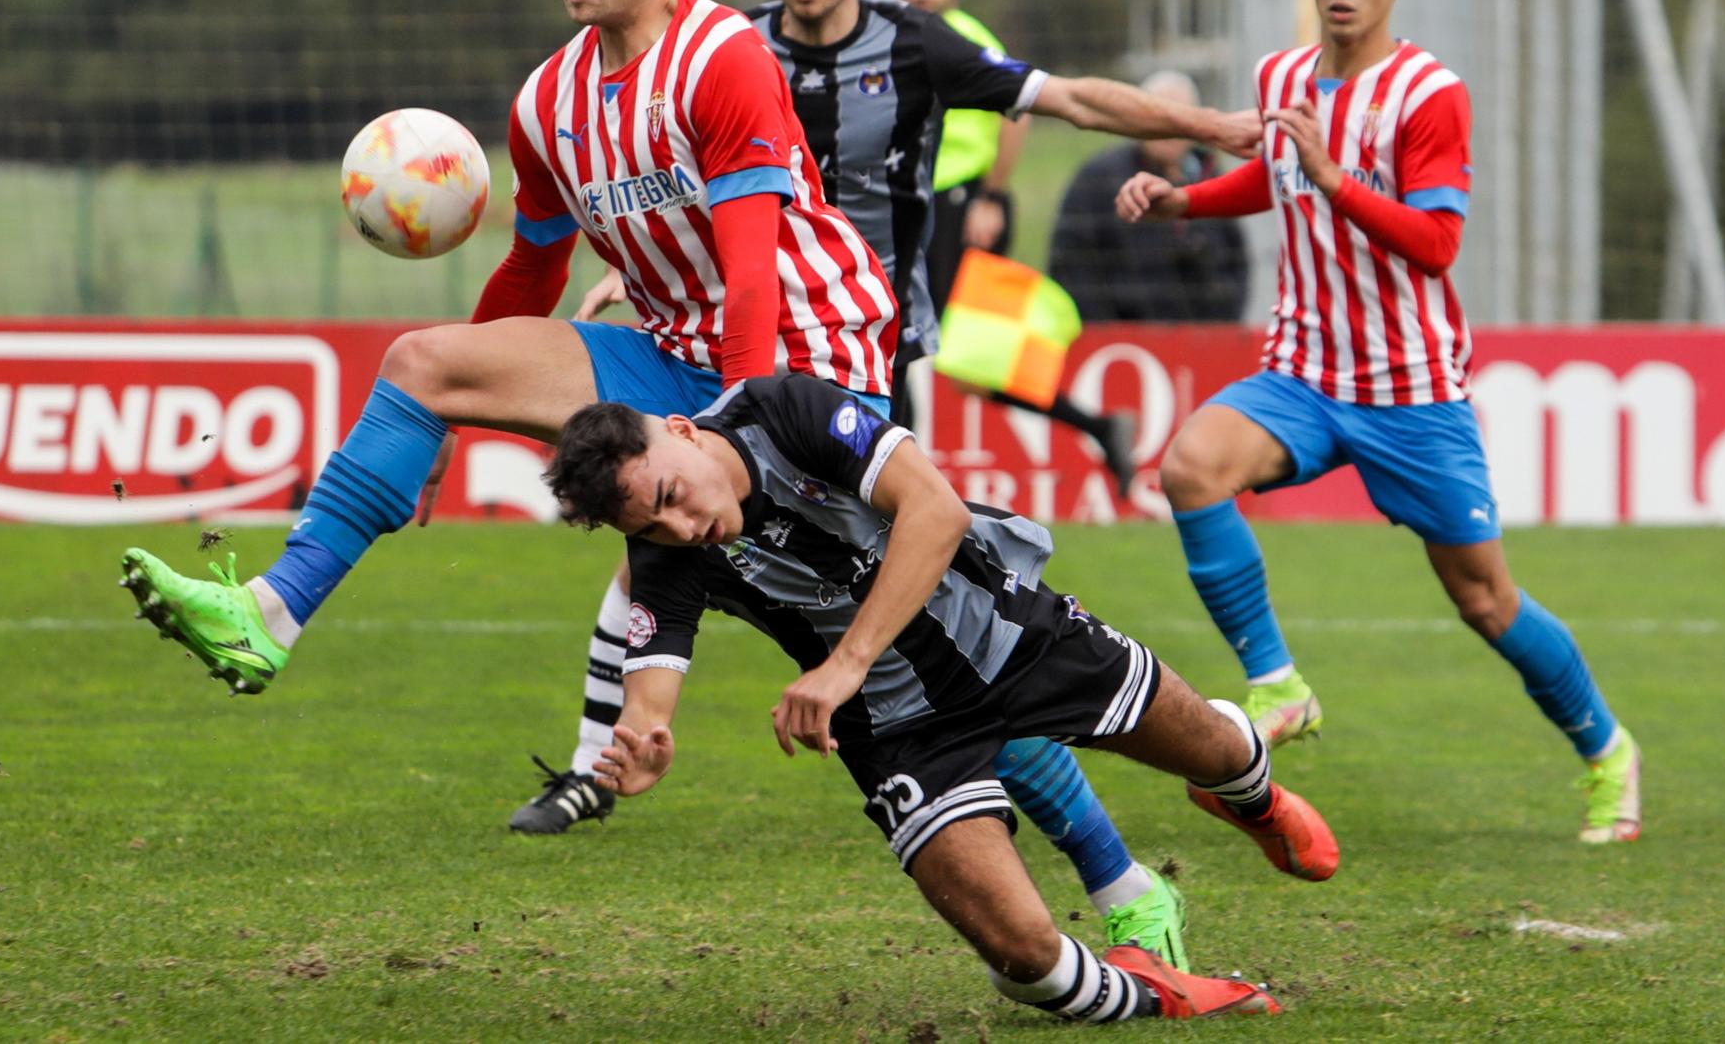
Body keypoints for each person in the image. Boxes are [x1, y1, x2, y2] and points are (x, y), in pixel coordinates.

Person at [529, 0, 1263, 966]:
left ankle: (1118, 876)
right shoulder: (731, 50)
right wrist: (644, 274)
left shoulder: (913, 43)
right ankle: (1110, 880)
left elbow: (1060, 98)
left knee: (947, 642)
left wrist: (1207, 127)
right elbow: (718, 194)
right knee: (903, 647)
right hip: (760, 382)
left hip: (866, 363)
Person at [116, 0, 901, 701]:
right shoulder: (547, 101)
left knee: (929, 648)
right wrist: (448, 413)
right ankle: (270, 611)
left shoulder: (724, 61)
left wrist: (735, 440)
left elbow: (753, 278)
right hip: (679, 359)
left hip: (809, 367)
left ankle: (1084, 827)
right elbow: (533, 272)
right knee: (423, 362)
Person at [546, 374, 1342, 1022]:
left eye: (673, 496)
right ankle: (1159, 996)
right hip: (900, 733)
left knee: (1220, 748)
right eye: (652, 525)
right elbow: (653, 674)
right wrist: (646, 735)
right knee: (1023, 957)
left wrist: (845, 661)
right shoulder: (664, 549)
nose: (683, 528)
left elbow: (937, 508)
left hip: (1016, 636)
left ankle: (1254, 799)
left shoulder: (785, 409)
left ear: (681, 430)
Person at [1115, 0, 1641, 844]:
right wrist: (1184, 200)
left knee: (1485, 600)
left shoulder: (1428, 95)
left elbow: (1435, 241)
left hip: (1409, 393)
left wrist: (1334, 178)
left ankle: (1607, 749)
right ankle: (1278, 684)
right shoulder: (1280, 81)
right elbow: (1270, 180)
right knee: (1188, 466)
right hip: (1303, 374)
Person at [897, 0, 1143, 490]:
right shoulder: (907, 37)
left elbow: (1018, 115)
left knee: (920, 343)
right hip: (924, 206)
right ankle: (1098, 427)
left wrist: (991, 196)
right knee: (963, 362)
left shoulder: (964, 37)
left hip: (961, 204)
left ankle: (899, 480)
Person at [1050, 71, 1248, 322]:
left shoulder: (1214, 179)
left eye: (1181, 119)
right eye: (1159, 119)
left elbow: (1236, 262)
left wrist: (1220, 327)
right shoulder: (1099, 179)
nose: (1168, 130)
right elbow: (1071, 263)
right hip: (1122, 344)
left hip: (1202, 344)